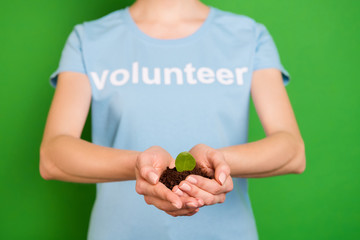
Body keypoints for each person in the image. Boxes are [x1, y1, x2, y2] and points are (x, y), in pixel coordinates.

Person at [40, 0, 305, 239]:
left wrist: (214, 165)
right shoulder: (88, 38)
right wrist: (138, 167)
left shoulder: (248, 35)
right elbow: (53, 155)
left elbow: (292, 150)